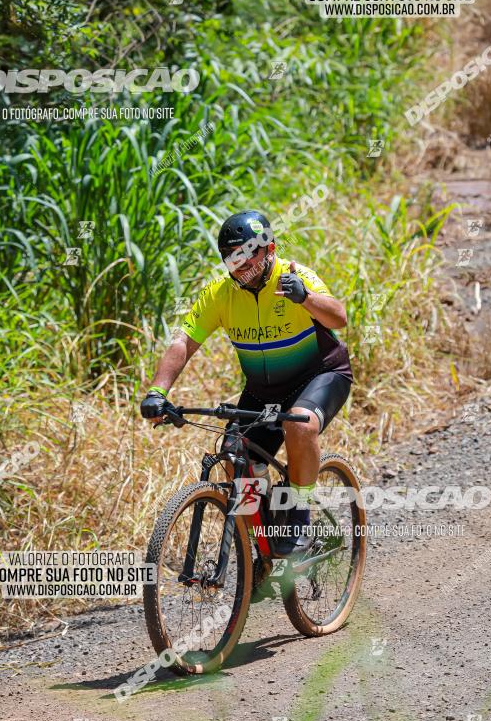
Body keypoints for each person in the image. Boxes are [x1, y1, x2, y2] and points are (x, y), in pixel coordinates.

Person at [140, 210, 353, 555]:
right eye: (231, 257)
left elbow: (339, 317)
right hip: (264, 390)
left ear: (269, 251)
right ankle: (263, 547)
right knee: (233, 452)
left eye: (245, 255)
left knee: (300, 425)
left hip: (320, 375)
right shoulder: (220, 293)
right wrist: (157, 391)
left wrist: (306, 298)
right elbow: (183, 342)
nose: (238, 265)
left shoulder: (293, 277)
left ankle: (299, 516)